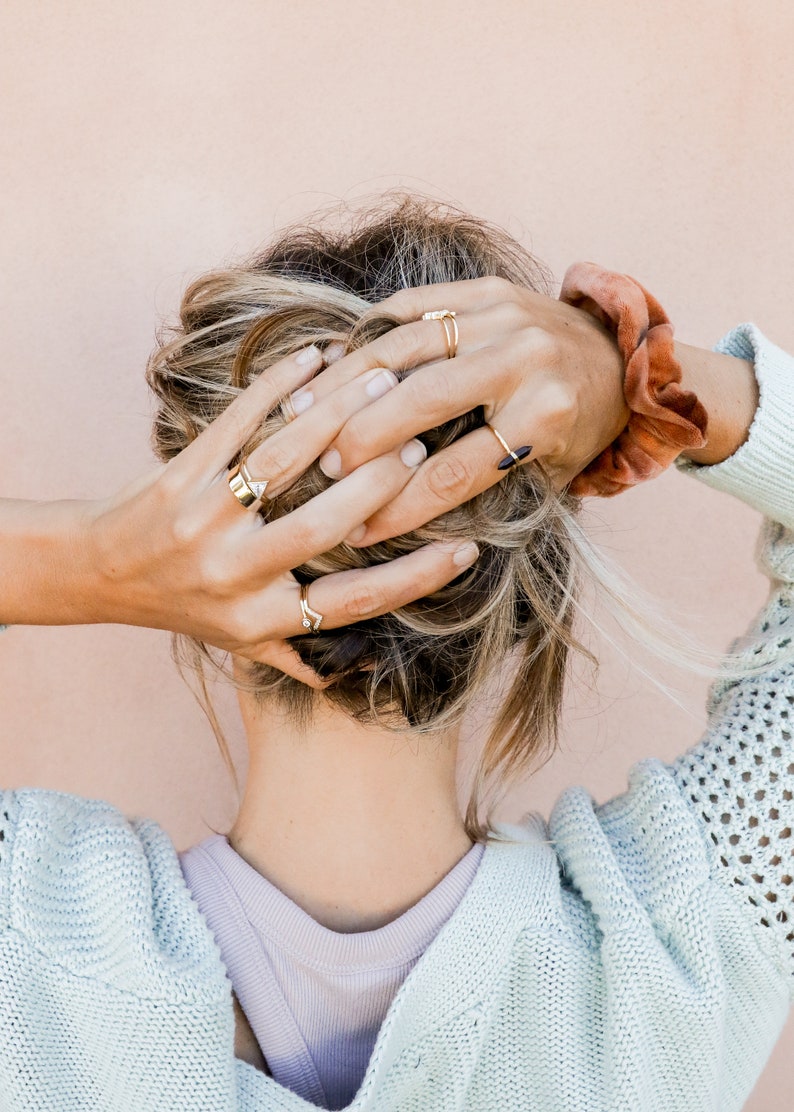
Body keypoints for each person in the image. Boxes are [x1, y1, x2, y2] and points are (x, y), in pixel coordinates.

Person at [0, 195, 790, 1111]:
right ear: (535, 584)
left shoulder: (31, 934)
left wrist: (88, 562)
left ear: (189, 570)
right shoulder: (689, 937)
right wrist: (643, 378)